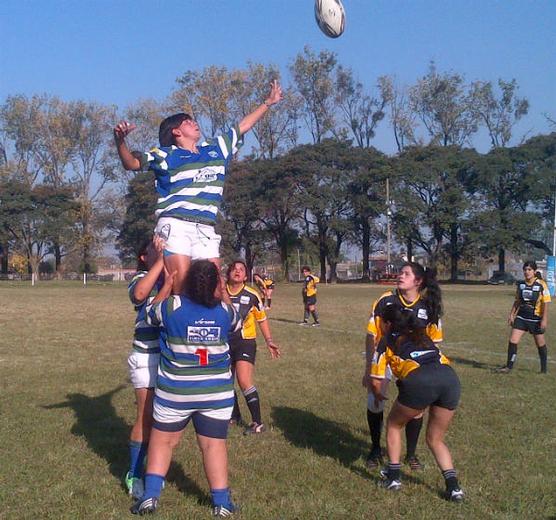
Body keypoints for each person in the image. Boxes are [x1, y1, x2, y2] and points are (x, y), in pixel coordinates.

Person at [114, 80, 283, 294]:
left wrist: (268, 103)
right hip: (176, 224)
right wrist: (120, 141)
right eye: (188, 121)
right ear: (176, 131)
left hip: (206, 227)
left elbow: (243, 126)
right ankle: (177, 325)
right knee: (181, 287)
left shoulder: (216, 148)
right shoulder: (166, 155)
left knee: (214, 289)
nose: (195, 123)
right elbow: (131, 164)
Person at [130, 260, 241, 517]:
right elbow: (237, 322)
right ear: (216, 283)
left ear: (188, 282)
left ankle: (150, 497)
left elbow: (148, 315)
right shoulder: (225, 312)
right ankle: (222, 503)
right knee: (214, 446)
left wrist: (168, 286)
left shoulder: (172, 307)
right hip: (216, 393)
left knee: (163, 442)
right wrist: (223, 291)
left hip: (175, 392)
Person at [370, 304, 463, 502]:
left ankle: (394, 477)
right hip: (450, 379)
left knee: (394, 425)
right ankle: (454, 488)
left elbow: (376, 378)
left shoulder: (386, 341)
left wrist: (378, 393)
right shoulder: (422, 335)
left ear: (387, 323)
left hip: (420, 381)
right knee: (436, 439)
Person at [363, 262, 443, 470]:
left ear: (418, 281)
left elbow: (435, 342)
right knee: (375, 401)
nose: (400, 276)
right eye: (400, 272)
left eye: (406, 274)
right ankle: (374, 449)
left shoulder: (428, 307)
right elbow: (372, 335)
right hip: (385, 357)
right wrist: (368, 369)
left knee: (416, 409)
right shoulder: (386, 300)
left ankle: (412, 454)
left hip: (413, 362)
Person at [124, 236, 165, 499]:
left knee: (164, 419)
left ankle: (154, 469)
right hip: (146, 356)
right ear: (144, 256)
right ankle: (134, 473)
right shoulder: (139, 278)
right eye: (154, 247)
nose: (160, 247)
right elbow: (141, 297)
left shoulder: (167, 274)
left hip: (170, 355)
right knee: (146, 415)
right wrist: (161, 261)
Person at [226, 261, 281, 434]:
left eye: (241, 270)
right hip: (223, 342)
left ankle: (257, 423)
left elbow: (262, 319)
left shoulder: (252, 295)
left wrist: (269, 340)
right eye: (234, 269)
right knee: (226, 381)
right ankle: (234, 416)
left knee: (243, 380)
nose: (237, 272)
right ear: (228, 273)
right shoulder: (219, 292)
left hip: (245, 342)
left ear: (246, 275)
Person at [496, 261, 551, 374]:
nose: (527, 272)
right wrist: (512, 314)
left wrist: (544, 320)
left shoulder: (541, 284)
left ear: (534, 271)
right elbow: (517, 301)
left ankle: (544, 369)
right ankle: (509, 367)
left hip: (535, 319)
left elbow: (546, 303)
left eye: (529, 270)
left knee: (540, 344)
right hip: (521, 317)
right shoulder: (521, 285)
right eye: (525, 269)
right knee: (513, 340)